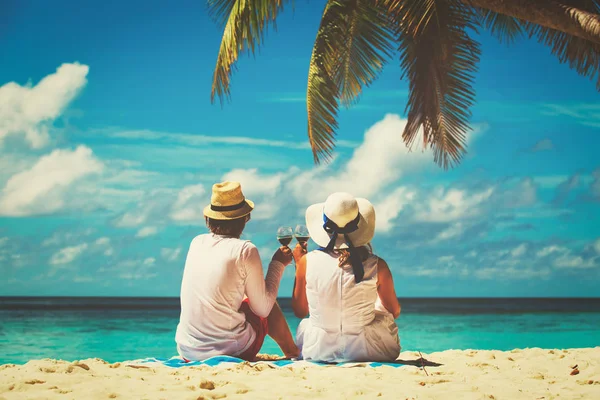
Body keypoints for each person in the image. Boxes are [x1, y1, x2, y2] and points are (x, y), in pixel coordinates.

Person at [175, 181, 301, 361]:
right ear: (245, 218)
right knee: (267, 300)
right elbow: (263, 309)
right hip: (229, 349)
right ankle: (293, 352)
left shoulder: (197, 242)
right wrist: (278, 264)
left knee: (240, 297)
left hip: (188, 350)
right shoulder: (245, 250)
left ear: (207, 219)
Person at [291, 192, 401, 362]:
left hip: (319, 350)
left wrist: (299, 265)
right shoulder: (377, 265)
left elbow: (300, 311)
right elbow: (394, 311)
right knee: (379, 307)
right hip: (368, 350)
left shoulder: (307, 262)